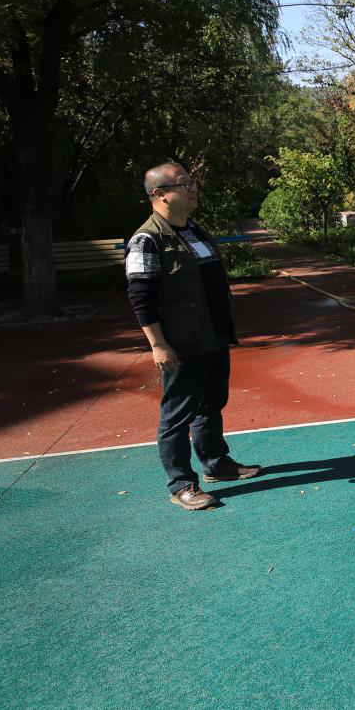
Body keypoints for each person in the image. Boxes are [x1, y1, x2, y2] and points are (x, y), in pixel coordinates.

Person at [125, 163, 260, 511]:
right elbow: (140, 296)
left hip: (212, 335)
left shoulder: (194, 230)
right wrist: (158, 344)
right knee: (176, 415)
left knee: (211, 403)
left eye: (192, 182)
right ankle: (181, 484)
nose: (193, 188)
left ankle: (216, 464)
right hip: (182, 342)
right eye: (184, 184)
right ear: (159, 194)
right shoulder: (147, 239)